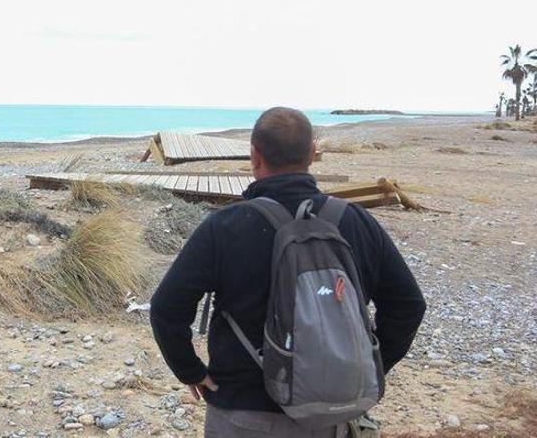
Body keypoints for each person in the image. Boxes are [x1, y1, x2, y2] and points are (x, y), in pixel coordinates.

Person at [149, 107, 426, 437]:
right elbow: (409, 306)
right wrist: (367, 365)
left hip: (240, 412)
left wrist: (190, 370)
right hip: (327, 416)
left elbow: (166, 307)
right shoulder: (355, 221)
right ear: (312, 153)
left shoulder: (225, 226)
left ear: (254, 155)